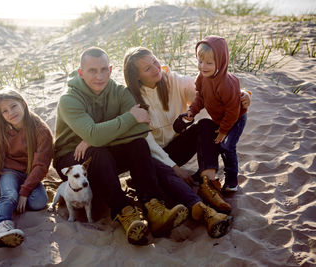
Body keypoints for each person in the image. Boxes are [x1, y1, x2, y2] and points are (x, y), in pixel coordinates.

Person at [53, 47, 232, 245]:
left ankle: (154, 208)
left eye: (104, 69)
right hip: (71, 159)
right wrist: (111, 127)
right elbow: (99, 135)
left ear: (111, 70)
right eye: (92, 71)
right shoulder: (69, 99)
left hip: (103, 151)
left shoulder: (119, 93)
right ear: (81, 72)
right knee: (98, 151)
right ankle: (125, 212)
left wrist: (99, 135)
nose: (99, 76)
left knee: (138, 145)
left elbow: (139, 132)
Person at [123, 47, 251, 212]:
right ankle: (194, 205)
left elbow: (206, 91)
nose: (156, 68)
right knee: (160, 174)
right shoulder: (130, 98)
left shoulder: (173, 79)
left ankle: (208, 184)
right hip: (153, 158)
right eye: (148, 68)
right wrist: (175, 168)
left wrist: (242, 93)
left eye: (155, 61)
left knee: (206, 125)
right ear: (136, 76)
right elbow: (147, 144)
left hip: (177, 148)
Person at [0, 87, 53, 247]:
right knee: (9, 195)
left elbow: (41, 166)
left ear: (23, 104)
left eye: (13, 106)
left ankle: (12, 192)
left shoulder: (40, 130)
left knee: (39, 202)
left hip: (30, 173)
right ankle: (3, 227)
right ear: (1, 116)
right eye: (5, 111)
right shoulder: (3, 130)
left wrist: (25, 191)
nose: (11, 113)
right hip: (8, 171)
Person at [186, 35, 248, 192]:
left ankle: (232, 180)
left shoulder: (227, 83)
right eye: (200, 62)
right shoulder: (202, 77)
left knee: (227, 146)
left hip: (235, 119)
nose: (203, 66)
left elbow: (233, 111)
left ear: (220, 62)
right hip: (220, 118)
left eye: (209, 63)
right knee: (210, 141)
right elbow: (200, 96)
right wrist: (192, 110)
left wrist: (223, 131)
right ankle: (204, 171)